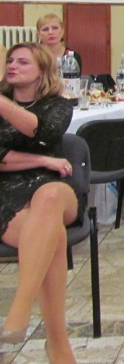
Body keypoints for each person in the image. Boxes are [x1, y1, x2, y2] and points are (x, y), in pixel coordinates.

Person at [0, 43, 80, 363]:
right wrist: (44, 160)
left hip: (54, 189)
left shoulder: (58, 104)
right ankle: (58, 345)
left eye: (22, 62)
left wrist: (2, 104)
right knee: (52, 237)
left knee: (49, 198)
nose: (12, 65)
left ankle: (21, 306)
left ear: (42, 71)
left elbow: (43, 133)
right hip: (8, 194)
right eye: (10, 60)